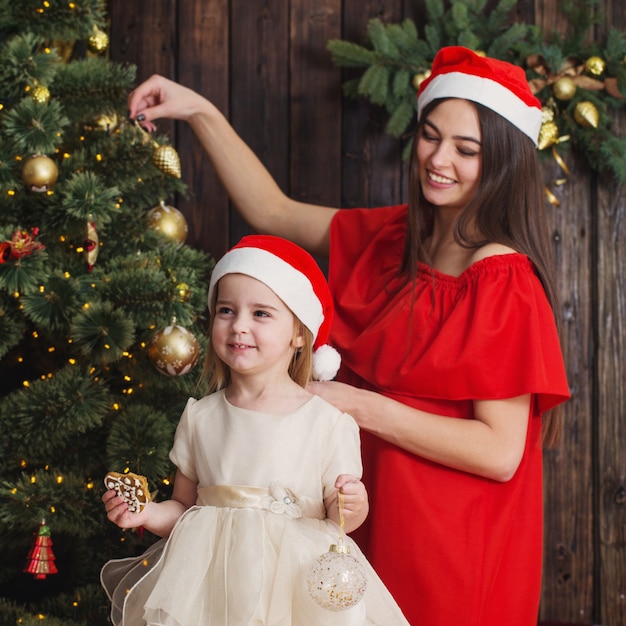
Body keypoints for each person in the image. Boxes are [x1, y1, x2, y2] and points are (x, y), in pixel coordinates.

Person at [126, 46, 570, 626]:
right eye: (431, 136)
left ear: (505, 161)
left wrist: (357, 405)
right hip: (351, 519)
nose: (438, 159)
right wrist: (200, 111)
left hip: (448, 536)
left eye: (467, 149)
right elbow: (272, 209)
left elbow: (500, 452)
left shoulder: (502, 278)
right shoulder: (390, 238)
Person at [101, 234, 411, 625]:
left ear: (299, 334)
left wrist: (353, 504)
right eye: (226, 310)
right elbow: (184, 511)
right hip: (211, 595)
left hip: (295, 593)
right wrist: (146, 513)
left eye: (261, 314)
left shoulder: (327, 422)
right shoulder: (202, 418)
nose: (238, 327)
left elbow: (338, 519)